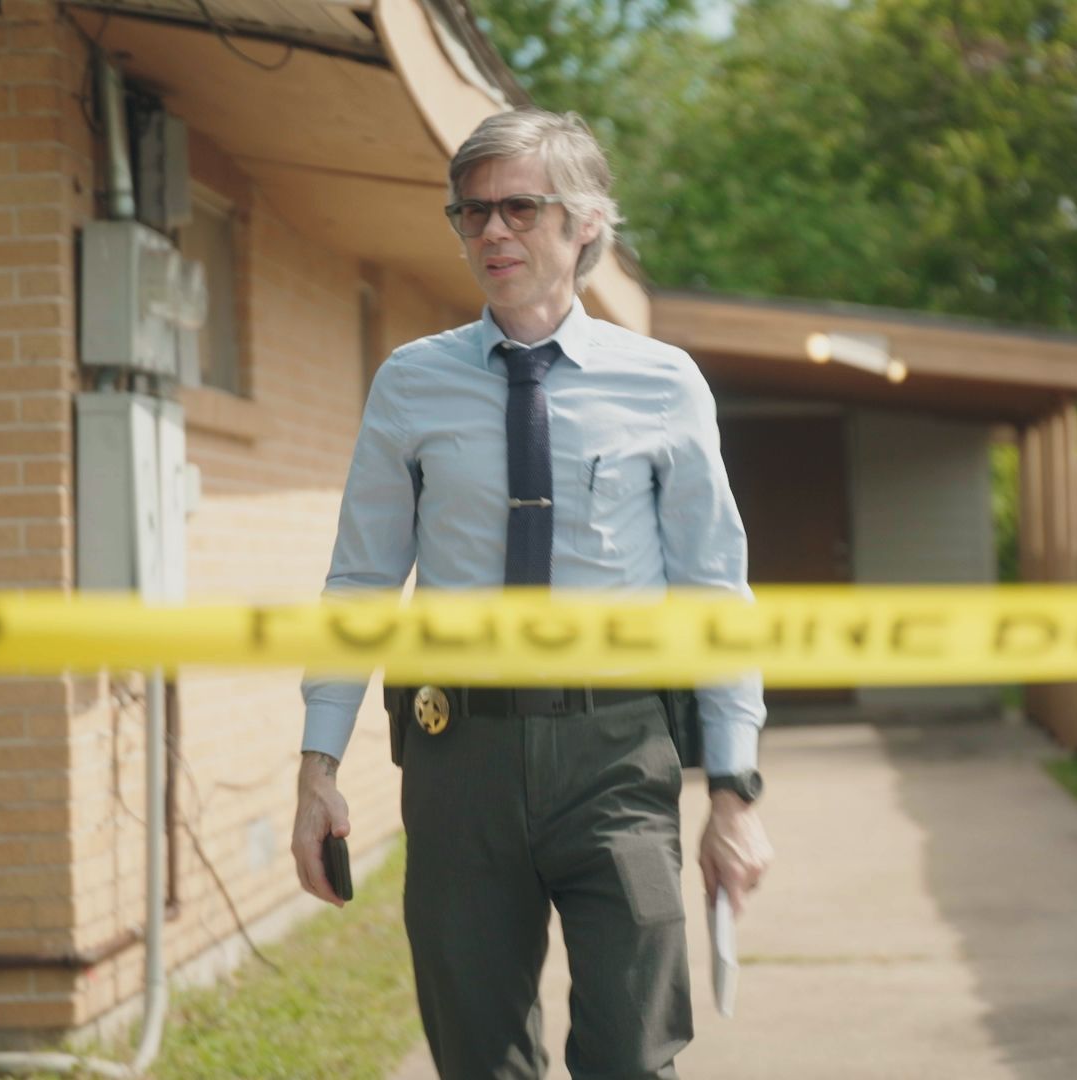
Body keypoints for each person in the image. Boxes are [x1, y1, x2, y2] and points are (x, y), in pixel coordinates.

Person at [291, 106, 773, 1080]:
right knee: (478, 1058)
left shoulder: (663, 384)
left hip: (618, 757)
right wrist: (318, 765)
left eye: (517, 208)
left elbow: (715, 590)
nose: (491, 234)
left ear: (584, 223)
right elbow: (361, 579)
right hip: (455, 756)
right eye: (469, 215)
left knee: (634, 1052)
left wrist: (734, 787)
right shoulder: (411, 384)